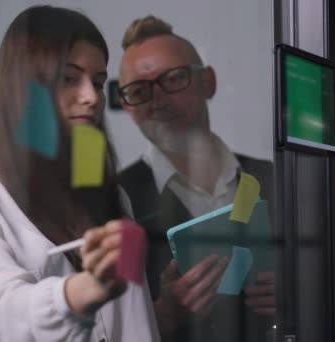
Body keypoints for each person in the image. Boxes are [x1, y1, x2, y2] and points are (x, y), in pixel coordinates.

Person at [0, 6, 159, 342]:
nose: (91, 97)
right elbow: (6, 310)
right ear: (25, 89)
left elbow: (137, 327)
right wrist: (86, 289)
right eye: (69, 78)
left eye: (98, 82)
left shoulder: (112, 196)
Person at [117, 15, 276, 342]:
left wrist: (298, 293)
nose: (157, 100)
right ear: (127, 107)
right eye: (138, 90)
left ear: (208, 82)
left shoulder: (275, 178)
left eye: (173, 79)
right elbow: (101, 330)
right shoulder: (115, 200)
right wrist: (164, 314)